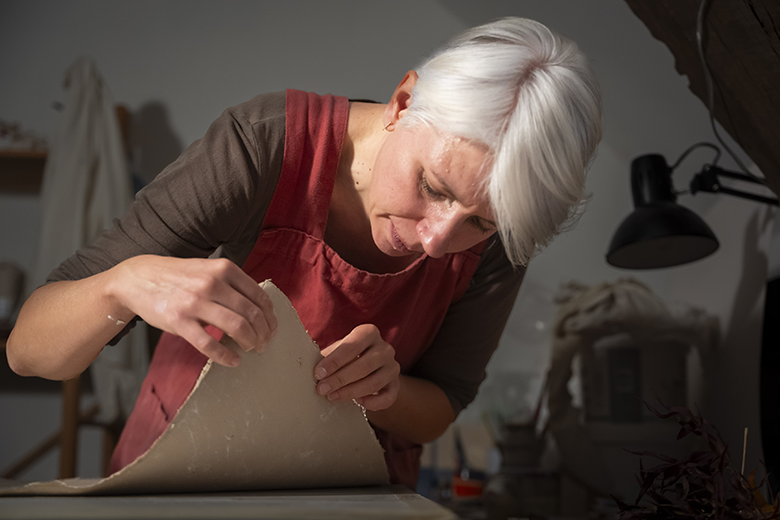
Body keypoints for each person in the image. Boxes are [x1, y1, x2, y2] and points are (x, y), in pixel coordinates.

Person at [7, 17, 602, 489]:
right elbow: (29, 351)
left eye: (478, 224)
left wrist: (390, 393)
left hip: (351, 500)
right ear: (402, 103)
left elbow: (444, 402)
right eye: (432, 188)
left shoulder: (507, 227)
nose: (437, 241)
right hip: (180, 483)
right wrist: (123, 283)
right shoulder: (263, 147)